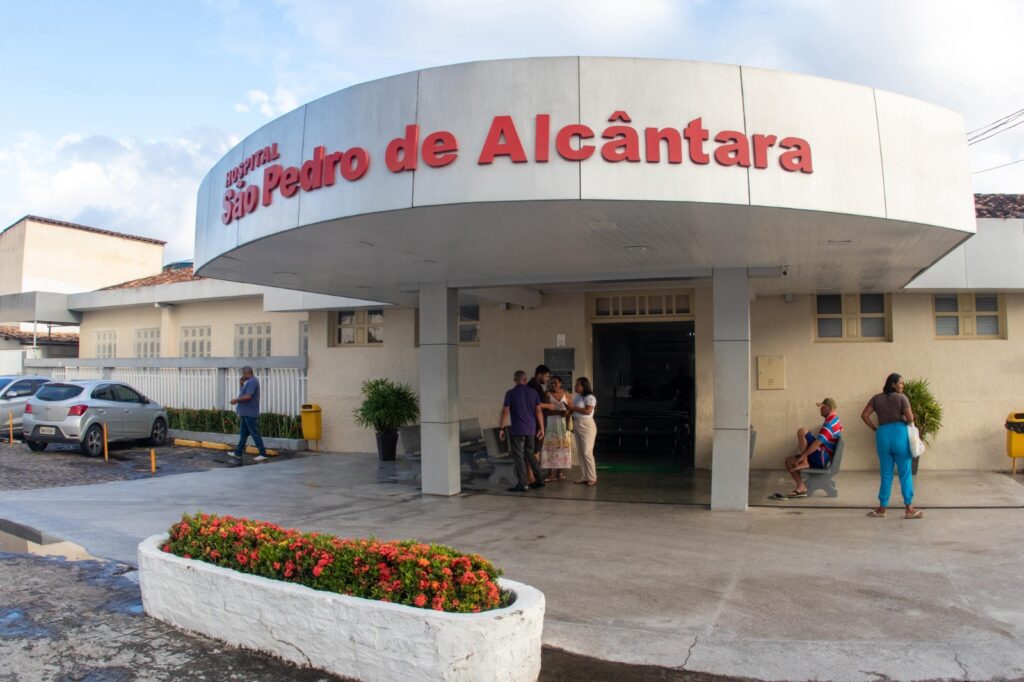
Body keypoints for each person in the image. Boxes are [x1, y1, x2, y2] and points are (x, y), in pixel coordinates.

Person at [862, 373, 922, 519]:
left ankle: (882, 508)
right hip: (899, 436)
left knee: (886, 473)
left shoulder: (876, 398)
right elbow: (910, 418)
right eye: (900, 383)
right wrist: (904, 419)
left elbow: (864, 415)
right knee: (905, 473)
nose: (902, 386)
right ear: (893, 384)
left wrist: (875, 428)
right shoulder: (902, 398)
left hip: (882, 436)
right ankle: (909, 508)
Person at [781, 398, 843, 498]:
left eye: (822, 407)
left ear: (829, 408)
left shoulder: (830, 424)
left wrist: (803, 456)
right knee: (789, 460)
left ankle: (804, 468)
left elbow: (817, 443)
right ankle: (801, 485)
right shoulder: (835, 419)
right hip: (823, 454)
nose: (820, 409)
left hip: (821, 458)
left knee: (802, 431)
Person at [499, 370, 546, 492]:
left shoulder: (510, 393)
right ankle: (540, 478)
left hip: (517, 429)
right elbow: (538, 410)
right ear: (525, 380)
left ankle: (523, 483)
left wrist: (501, 428)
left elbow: (505, 411)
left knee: (519, 456)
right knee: (530, 453)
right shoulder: (533, 392)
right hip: (531, 429)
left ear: (515, 380)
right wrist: (541, 428)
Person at [229, 366, 267, 465]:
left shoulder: (253, 381)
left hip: (250, 413)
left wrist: (236, 400)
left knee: (255, 433)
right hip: (246, 413)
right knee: (243, 434)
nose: (242, 375)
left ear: (247, 373)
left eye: (243, 373)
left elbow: (248, 396)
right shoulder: (249, 382)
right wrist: (241, 384)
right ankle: (238, 453)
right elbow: (244, 394)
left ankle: (263, 454)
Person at [565, 377, 598, 486]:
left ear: (584, 386)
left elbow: (588, 411)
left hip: (586, 425)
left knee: (587, 451)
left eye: (578, 385)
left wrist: (573, 407)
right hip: (577, 423)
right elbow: (573, 409)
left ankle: (592, 477)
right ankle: (584, 476)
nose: (575, 386)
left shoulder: (590, 397)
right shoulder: (578, 397)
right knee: (580, 452)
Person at [540, 375, 572, 481]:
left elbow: (571, 408)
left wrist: (567, 412)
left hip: (563, 424)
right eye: (551, 383)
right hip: (551, 423)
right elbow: (544, 411)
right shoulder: (547, 394)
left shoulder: (566, 394)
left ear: (560, 383)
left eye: (556, 383)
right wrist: (558, 412)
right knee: (550, 447)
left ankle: (559, 471)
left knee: (562, 446)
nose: (553, 385)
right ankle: (550, 472)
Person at [526, 364, 552, 485]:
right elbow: (536, 405)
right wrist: (549, 406)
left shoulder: (537, 386)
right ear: (539, 374)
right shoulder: (532, 386)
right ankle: (531, 476)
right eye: (546, 376)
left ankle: (534, 475)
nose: (547, 379)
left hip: (538, 422)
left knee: (536, 449)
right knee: (533, 450)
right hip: (535, 423)